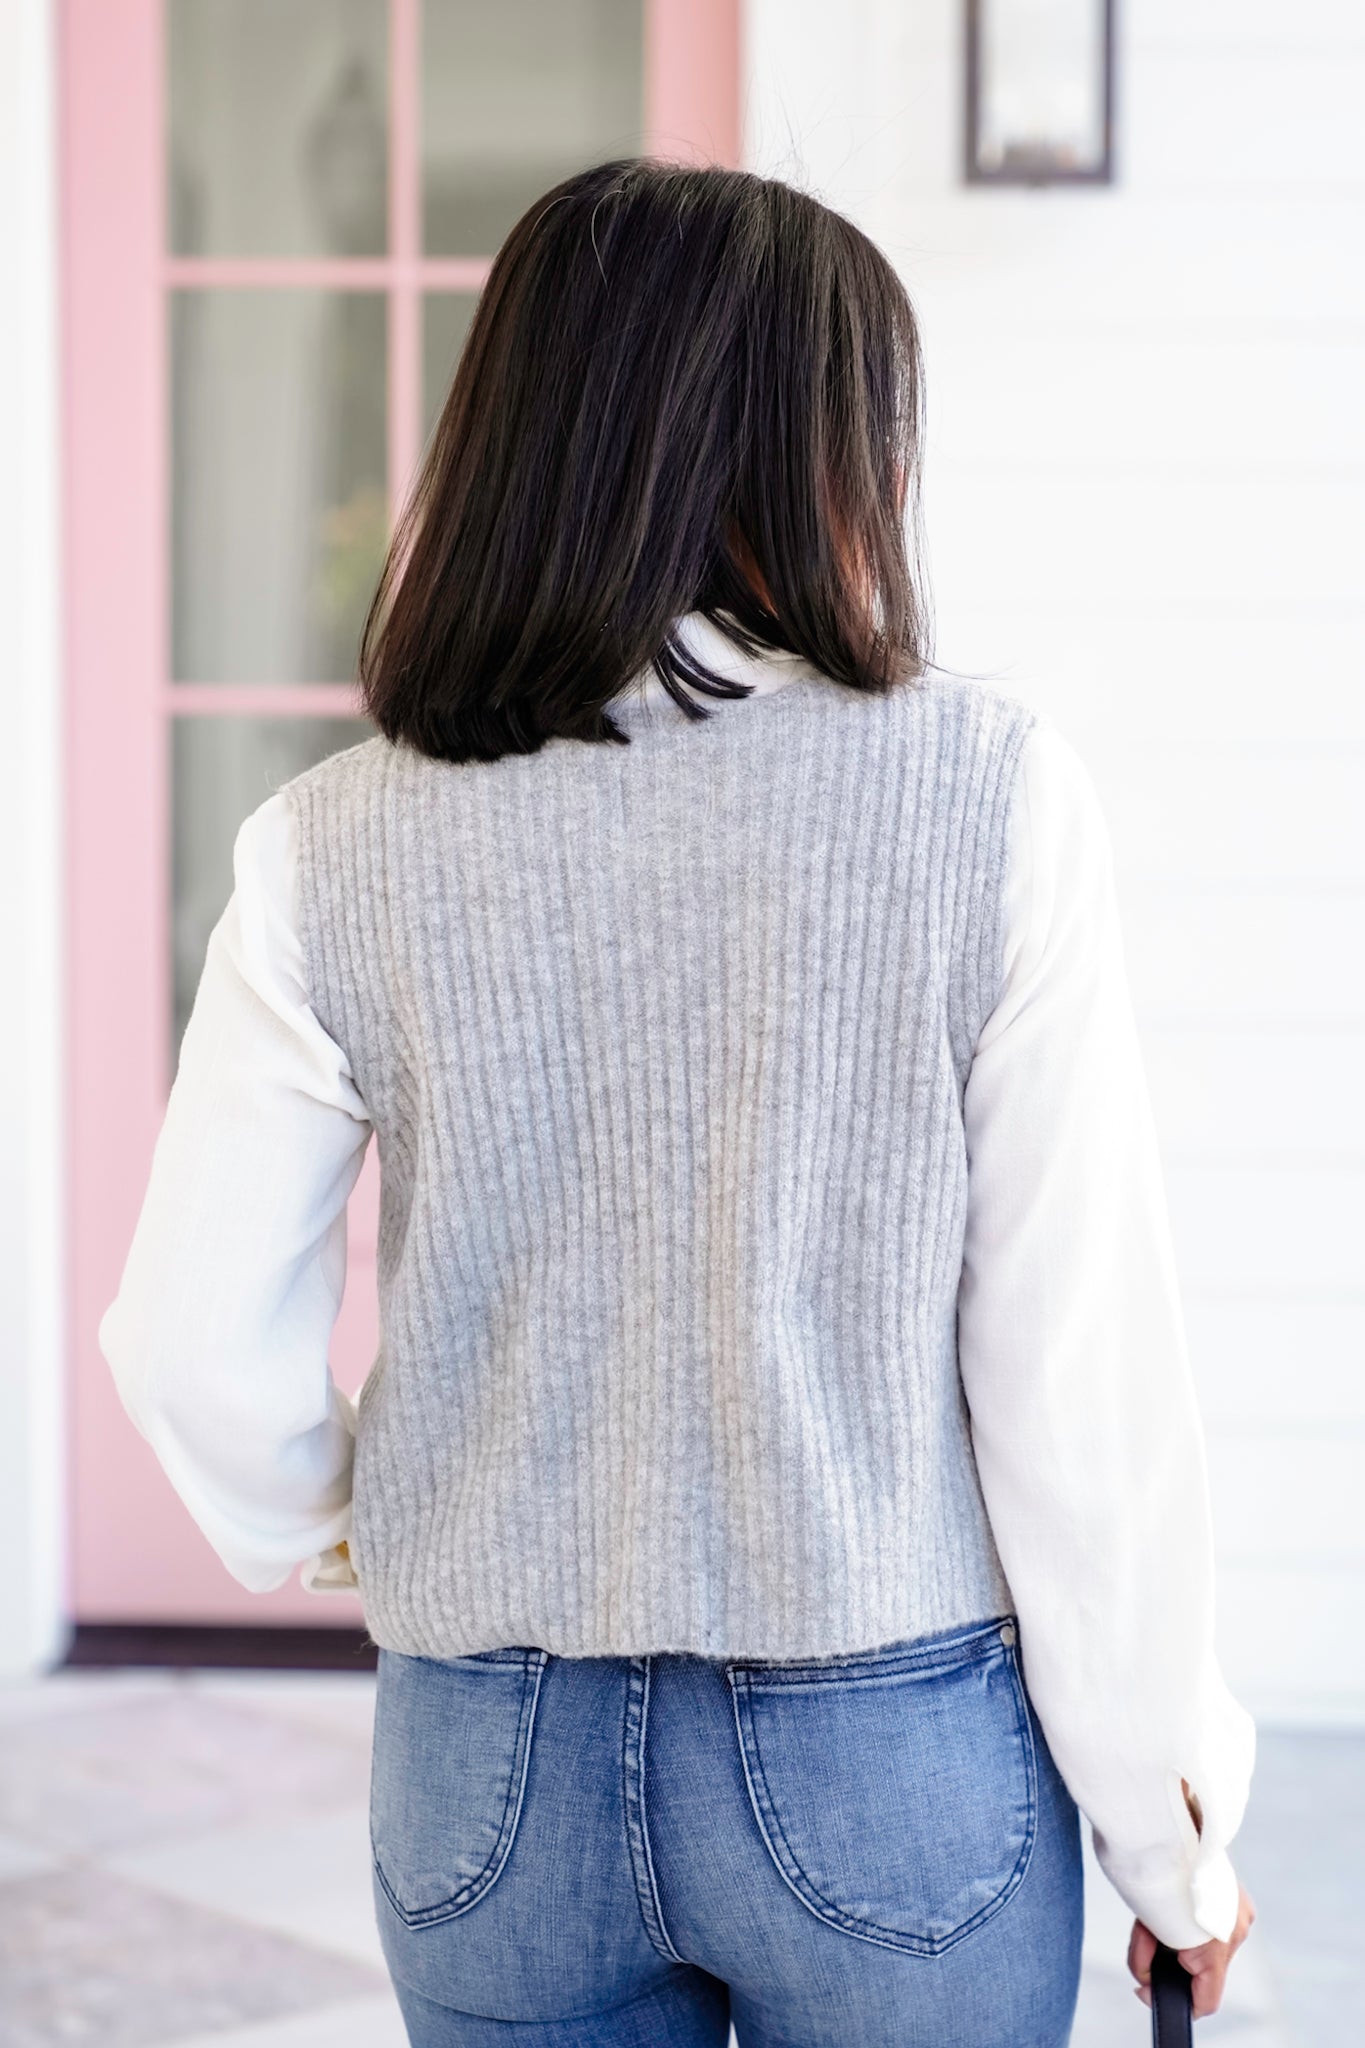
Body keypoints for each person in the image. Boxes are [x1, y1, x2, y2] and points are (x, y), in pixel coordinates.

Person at [99, 159, 1256, 2046]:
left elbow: (184, 1345)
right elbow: (1077, 1385)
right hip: (889, 1757)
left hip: (489, 1766)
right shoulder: (989, 797)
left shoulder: (330, 843)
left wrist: (348, 1526)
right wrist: (1170, 1836)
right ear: (830, 448)